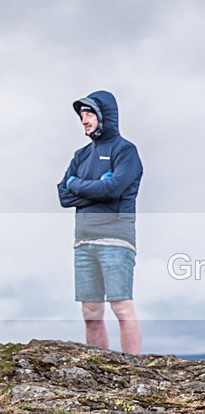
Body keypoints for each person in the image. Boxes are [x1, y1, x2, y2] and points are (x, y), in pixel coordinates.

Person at [57, 90, 144, 354]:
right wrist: (93, 187)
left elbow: (113, 190)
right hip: (83, 241)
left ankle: (135, 369)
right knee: (90, 311)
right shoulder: (80, 155)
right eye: (82, 114)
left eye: (89, 113)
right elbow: (63, 194)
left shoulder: (125, 151)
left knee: (121, 306)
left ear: (105, 115)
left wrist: (78, 187)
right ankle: (99, 368)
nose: (84, 120)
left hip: (116, 239)